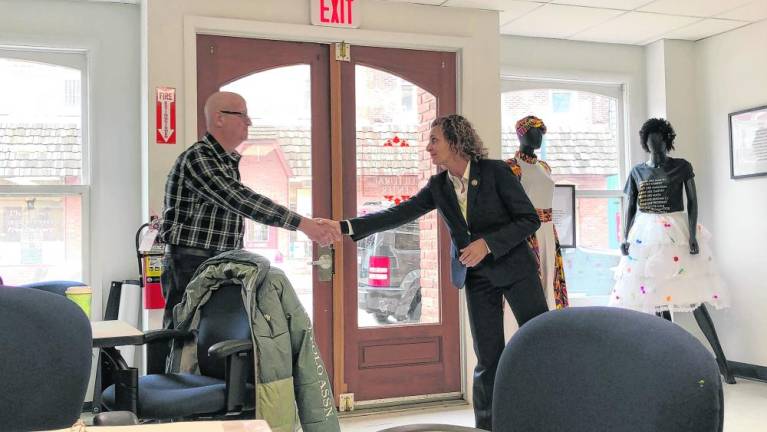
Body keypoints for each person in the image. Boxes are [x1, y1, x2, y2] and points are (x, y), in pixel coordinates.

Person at [319, 114, 548, 430]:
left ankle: (550, 414)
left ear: (456, 141)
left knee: (541, 342)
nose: (428, 147)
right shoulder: (439, 186)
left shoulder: (496, 171)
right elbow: (398, 213)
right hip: (476, 277)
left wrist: (488, 244)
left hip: (515, 268)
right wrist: (344, 226)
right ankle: (487, 427)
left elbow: (528, 220)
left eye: (434, 140)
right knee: (487, 359)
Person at [156, 91, 339, 371]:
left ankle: (211, 408)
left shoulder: (227, 161)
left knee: (214, 345)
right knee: (184, 343)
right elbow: (240, 200)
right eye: (241, 114)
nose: (249, 122)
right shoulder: (199, 159)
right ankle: (170, 409)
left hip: (217, 264)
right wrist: (303, 224)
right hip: (191, 264)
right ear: (219, 118)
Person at [610, 117, 734, 383]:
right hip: (645, 236)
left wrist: (692, 234)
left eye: (661, 141)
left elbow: (692, 202)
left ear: (667, 141)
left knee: (696, 296)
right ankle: (668, 365)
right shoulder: (637, 172)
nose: (657, 146)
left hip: (675, 231)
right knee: (656, 298)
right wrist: (624, 237)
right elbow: (631, 206)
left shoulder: (681, 167)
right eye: (652, 142)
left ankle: (724, 365)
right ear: (646, 143)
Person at [506, 115, 568, 309]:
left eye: (541, 131)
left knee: (550, 281)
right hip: (526, 232)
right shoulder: (511, 167)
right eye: (534, 131)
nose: (539, 135)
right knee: (530, 283)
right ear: (521, 134)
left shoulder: (544, 167)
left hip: (548, 231)